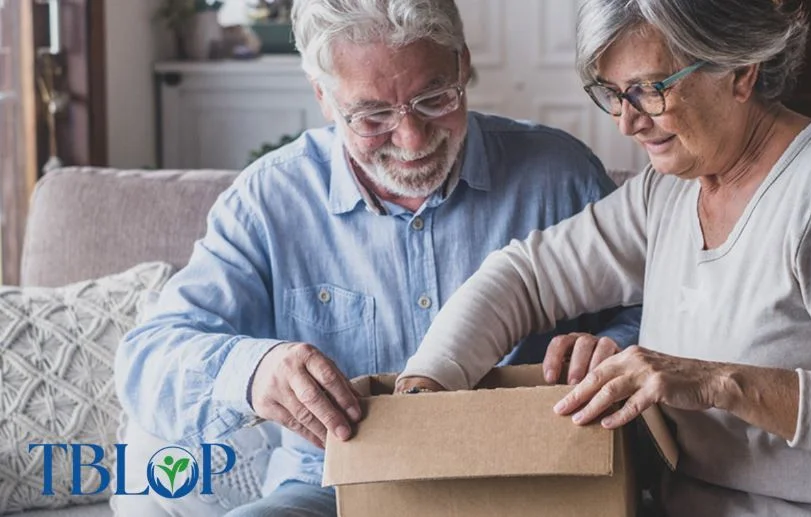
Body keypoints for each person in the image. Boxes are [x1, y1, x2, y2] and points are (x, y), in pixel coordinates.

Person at [396, 0, 811, 514]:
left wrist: (717, 383)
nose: (627, 121)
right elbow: (525, 276)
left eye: (650, 88)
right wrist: (427, 385)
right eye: (612, 93)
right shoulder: (667, 190)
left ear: (741, 70)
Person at [113, 0, 640, 515]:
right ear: (324, 96)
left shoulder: (560, 175)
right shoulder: (269, 201)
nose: (412, 139)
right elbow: (148, 360)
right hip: (330, 492)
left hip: (532, 484)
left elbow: (665, 309)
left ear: (464, 64)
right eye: (372, 116)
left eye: (435, 97)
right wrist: (253, 372)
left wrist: (614, 346)